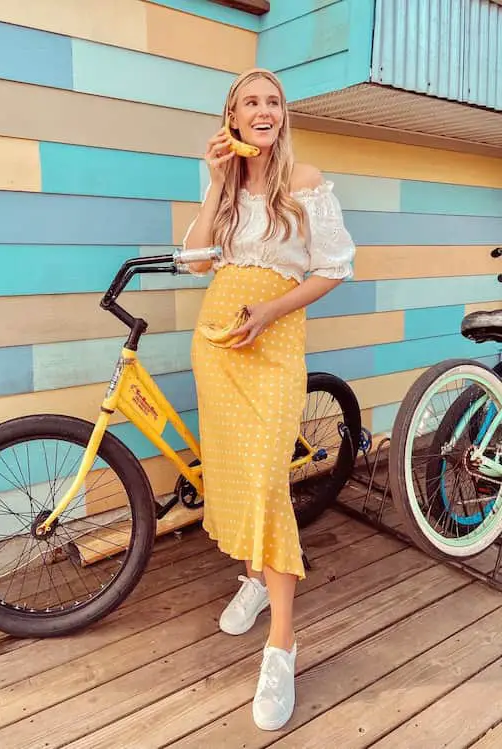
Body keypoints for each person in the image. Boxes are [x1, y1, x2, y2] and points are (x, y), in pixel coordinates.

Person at [181, 68, 355, 731]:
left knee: (266, 484)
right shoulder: (224, 186)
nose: (264, 110)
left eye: (272, 101)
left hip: (274, 340)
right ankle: (254, 579)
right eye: (250, 102)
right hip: (217, 343)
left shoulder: (305, 182)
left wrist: (273, 308)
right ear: (230, 116)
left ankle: (281, 647)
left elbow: (333, 268)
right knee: (232, 471)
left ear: (283, 115)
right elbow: (197, 259)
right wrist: (215, 176)